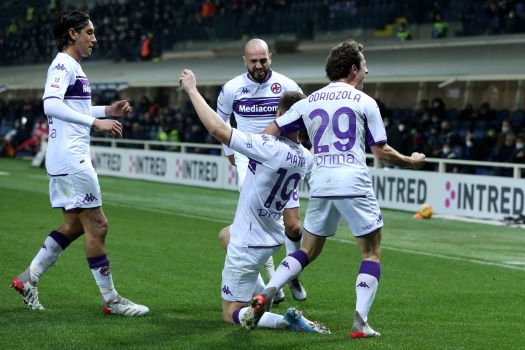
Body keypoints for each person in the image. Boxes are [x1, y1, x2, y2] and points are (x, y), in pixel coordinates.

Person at [244, 39, 426, 338]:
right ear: (354, 68)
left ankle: (268, 292)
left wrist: (288, 157)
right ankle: (360, 322)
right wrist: (411, 160)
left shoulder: (309, 100)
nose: (367, 70)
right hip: (353, 180)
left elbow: (271, 131)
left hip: (321, 180)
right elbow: (380, 151)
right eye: (364, 65)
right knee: (370, 253)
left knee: (307, 249)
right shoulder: (364, 101)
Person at [11, 10, 148, 316]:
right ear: (73, 34)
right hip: (72, 159)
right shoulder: (63, 64)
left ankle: (28, 278)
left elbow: (72, 105)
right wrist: (94, 123)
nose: (94, 39)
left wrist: (106, 110)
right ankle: (112, 300)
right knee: (98, 226)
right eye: (89, 32)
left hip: (65, 157)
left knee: (73, 226)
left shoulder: (72, 66)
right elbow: (51, 103)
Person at [179, 69, 328, 334]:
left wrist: (191, 89)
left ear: (282, 117)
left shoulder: (266, 146)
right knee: (225, 234)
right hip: (271, 237)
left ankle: (285, 321)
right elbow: (316, 148)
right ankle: (265, 292)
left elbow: (217, 128)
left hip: (249, 242)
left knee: (232, 312)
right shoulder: (304, 158)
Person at [216, 38, 307, 304]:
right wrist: (230, 153)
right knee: (256, 223)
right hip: (250, 157)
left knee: (293, 225)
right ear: (245, 61)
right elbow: (221, 120)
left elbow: (305, 115)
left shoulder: (287, 86)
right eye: (253, 61)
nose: (259, 66)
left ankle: (291, 274)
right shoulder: (232, 88)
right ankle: (271, 288)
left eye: (263, 60)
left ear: (270, 57)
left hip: (282, 157)